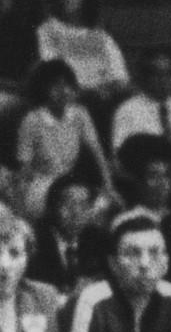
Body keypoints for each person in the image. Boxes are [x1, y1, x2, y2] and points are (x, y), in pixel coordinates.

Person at [14, 59, 110, 220]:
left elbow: (96, 151)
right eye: (55, 86)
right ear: (42, 90)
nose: (63, 91)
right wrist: (20, 210)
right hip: (42, 186)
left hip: (70, 183)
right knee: (73, 207)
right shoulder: (32, 121)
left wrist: (108, 185)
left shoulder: (80, 114)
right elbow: (24, 169)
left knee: (101, 204)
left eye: (67, 85)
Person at [35, 0, 129, 107]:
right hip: (67, 102)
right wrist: (86, 92)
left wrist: (109, 89)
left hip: (104, 101)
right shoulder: (47, 31)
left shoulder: (102, 37)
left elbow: (120, 76)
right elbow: (52, 70)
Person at [26, 176, 107, 291]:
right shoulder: (35, 240)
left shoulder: (98, 239)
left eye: (83, 205)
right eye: (68, 204)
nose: (76, 212)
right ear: (52, 207)